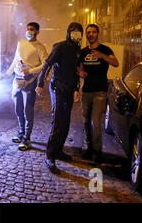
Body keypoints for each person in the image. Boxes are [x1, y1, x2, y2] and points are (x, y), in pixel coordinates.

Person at [35, 22, 83, 173]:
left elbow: (76, 72)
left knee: (66, 121)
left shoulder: (77, 49)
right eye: (73, 31)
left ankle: (59, 150)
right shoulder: (60, 46)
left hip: (69, 88)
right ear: (68, 32)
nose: (76, 34)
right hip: (58, 87)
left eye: (79, 31)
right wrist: (40, 83)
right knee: (58, 120)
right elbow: (47, 65)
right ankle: (50, 155)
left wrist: (76, 88)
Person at [79, 24, 119, 164]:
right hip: (86, 91)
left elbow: (115, 63)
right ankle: (89, 149)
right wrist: (80, 72)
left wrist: (102, 56)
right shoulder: (83, 52)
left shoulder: (105, 49)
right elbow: (80, 68)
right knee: (85, 121)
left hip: (100, 92)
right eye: (88, 32)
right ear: (86, 34)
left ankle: (97, 153)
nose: (91, 34)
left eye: (93, 32)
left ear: (98, 34)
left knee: (95, 122)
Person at [5, 22, 48, 151]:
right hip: (16, 81)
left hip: (30, 82)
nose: (29, 31)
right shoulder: (21, 43)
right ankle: (21, 132)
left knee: (27, 110)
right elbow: (15, 60)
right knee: (18, 109)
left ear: (37, 32)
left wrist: (30, 71)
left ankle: (27, 138)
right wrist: (7, 73)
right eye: (28, 29)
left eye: (32, 29)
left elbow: (45, 64)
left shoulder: (40, 47)